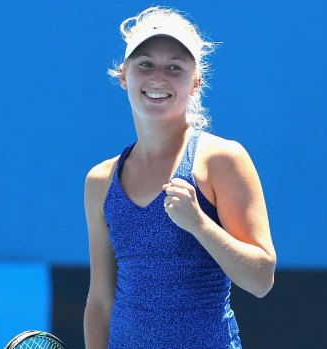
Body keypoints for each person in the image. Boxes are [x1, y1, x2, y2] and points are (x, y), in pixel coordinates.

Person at [83, 6, 276, 349]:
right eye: (145, 64)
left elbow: (261, 279)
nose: (158, 77)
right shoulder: (100, 180)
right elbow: (100, 299)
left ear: (195, 81)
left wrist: (199, 223)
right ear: (124, 75)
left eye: (174, 67)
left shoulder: (222, 159)